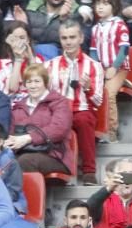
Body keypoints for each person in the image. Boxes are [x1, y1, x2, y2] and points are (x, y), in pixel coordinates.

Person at [45, 19, 104, 185]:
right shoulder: (50, 65)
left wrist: (87, 88)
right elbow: (44, 95)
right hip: (57, 111)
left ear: (81, 38)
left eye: (72, 37)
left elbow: (98, 101)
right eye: (64, 38)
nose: (68, 42)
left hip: (81, 109)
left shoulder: (94, 66)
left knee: (84, 120)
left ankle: (89, 171)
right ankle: (57, 168)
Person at [7, 64, 74, 176]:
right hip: (23, 152)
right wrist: (8, 142)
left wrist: (28, 138)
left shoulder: (59, 102)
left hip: (54, 155)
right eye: (29, 82)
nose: (33, 86)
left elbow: (59, 129)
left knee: (25, 161)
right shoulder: (19, 107)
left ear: (45, 83)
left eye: (37, 81)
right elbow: (11, 132)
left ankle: (30, 194)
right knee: (3, 162)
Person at [90, 0, 130, 143]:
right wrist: (97, 67)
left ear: (114, 6)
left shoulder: (120, 25)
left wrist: (114, 67)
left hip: (118, 68)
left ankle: (112, 130)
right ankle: (99, 127)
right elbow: (93, 50)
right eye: (98, 4)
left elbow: (124, 48)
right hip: (102, 69)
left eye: (105, 4)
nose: (100, 7)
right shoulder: (95, 28)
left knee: (108, 93)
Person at [0, 22, 44, 104]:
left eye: (22, 38)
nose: (18, 42)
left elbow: (41, 85)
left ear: (28, 40)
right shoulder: (2, 63)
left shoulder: (38, 60)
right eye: (15, 38)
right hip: (14, 105)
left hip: (37, 104)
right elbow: (13, 88)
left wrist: (31, 59)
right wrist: (18, 59)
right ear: (9, 41)